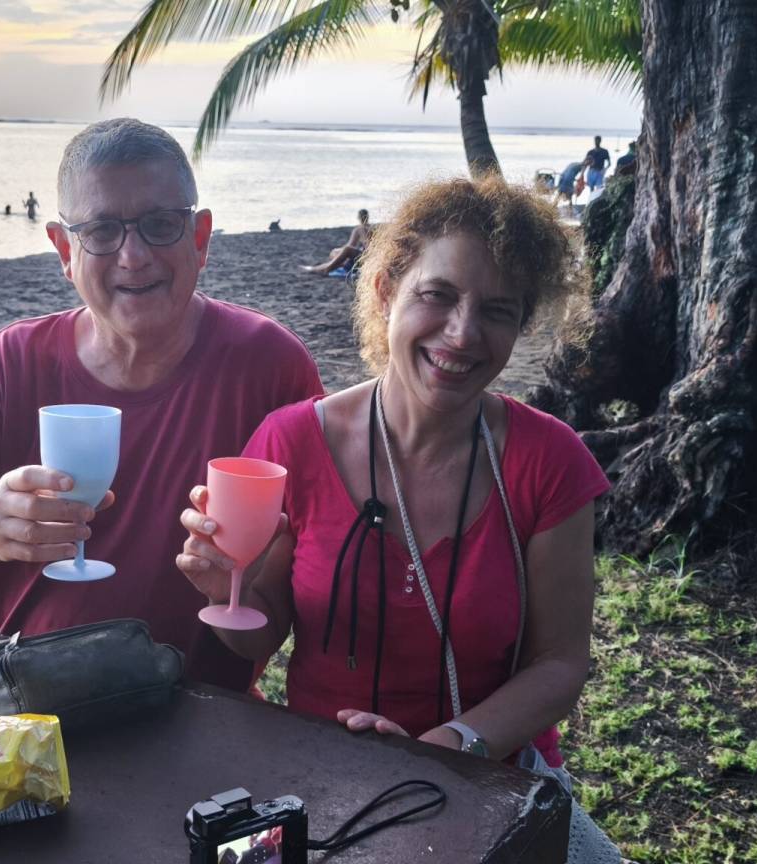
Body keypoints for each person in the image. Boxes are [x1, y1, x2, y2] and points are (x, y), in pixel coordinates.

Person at [176, 176, 619, 861]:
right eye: (437, 295)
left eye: (497, 310)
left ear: (520, 325)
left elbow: (560, 662)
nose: (463, 334)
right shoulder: (292, 442)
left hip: (489, 774)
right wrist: (222, 590)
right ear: (385, 291)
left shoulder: (549, 461)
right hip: (320, 779)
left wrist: (449, 747)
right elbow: (258, 638)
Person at [0, 118, 325, 690]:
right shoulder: (9, 365)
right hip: (27, 707)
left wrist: (229, 589)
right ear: (64, 249)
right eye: (103, 231)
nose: (133, 256)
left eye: (161, 225)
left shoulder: (271, 367)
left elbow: (272, 627)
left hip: (203, 717)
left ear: (200, 238)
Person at [300, 209, 372, 275]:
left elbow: (351, 245)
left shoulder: (360, 229)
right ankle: (315, 268)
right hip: (365, 256)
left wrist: (339, 251)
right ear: (367, 217)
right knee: (338, 253)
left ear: (359, 218)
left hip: (365, 258)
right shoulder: (372, 228)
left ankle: (325, 268)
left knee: (344, 250)